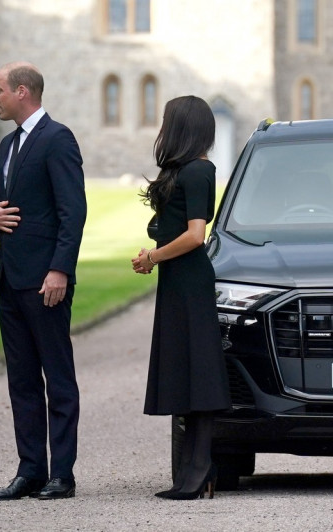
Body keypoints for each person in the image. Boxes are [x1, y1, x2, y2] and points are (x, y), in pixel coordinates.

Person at [0, 62, 87, 501]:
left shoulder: (57, 139)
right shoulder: (8, 144)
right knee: (22, 381)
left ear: (22, 92)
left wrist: (60, 269)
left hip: (46, 280)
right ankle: (31, 470)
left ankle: (62, 473)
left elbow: (73, 210)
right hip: (9, 279)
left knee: (57, 378)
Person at [131, 95, 231, 500]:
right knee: (185, 368)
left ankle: (201, 466)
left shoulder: (198, 170)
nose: (162, 127)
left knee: (199, 371)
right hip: (177, 281)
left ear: (181, 128)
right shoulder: (185, 170)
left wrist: (153, 256)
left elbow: (195, 235)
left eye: (167, 121)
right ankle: (192, 468)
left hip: (189, 281)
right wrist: (154, 255)